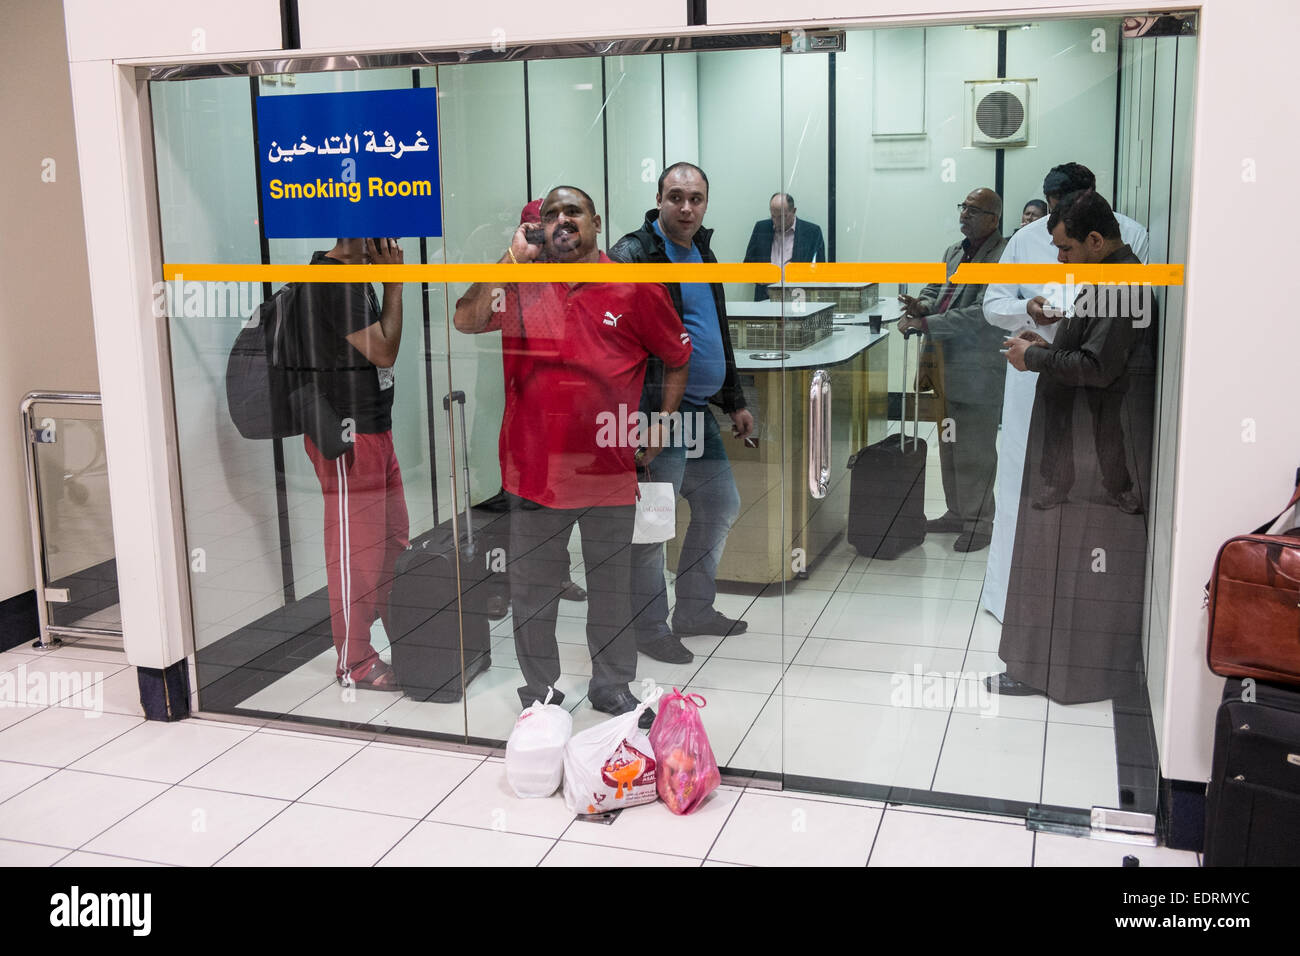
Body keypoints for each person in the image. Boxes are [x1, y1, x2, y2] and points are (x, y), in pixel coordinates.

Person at [452, 186, 692, 728]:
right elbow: (465, 319)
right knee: (534, 589)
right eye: (551, 214)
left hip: (608, 467)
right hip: (533, 470)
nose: (562, 220)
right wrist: (512, 258)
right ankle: (541, 690)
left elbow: (678, 355)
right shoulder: (519, 284)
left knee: (611, 587)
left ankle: (612, 687)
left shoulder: (633, 287)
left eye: (573, 212)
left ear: (596, 222)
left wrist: (661, 421)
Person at [991, 189, 1157, 702]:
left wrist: (1035, 359)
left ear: (1095, 239)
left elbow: (1098, 368)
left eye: (1066, 249)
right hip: (1077, 449)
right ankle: (1038, 670)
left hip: (1091, 456)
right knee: (1053, 557)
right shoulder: (1106, 279)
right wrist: (1047, 347)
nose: (1060, 260)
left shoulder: (1121, 285)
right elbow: (1088, 351)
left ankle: (1063, 675)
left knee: (1072, 563)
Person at [609, 162, 754, 665]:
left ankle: (693, 610)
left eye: (695, 198)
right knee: (653, 527)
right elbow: (613, 339)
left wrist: (733, 398)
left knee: (720, 504)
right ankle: (649, 627)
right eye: (676, 197)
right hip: (658, 414)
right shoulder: (633, 254)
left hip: (699, 413)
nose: (686, 207)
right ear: (658, 198)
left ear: (706, 203)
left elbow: (717, 327)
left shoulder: (702, 251)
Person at [296, 237, 409, 691]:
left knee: (392, 541)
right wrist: (396, 285)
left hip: (375, 427)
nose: (395, 242)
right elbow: (384, 351)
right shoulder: (333, 280)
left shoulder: (354, 275)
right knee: (354, 555)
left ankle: (404, 635)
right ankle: (353, 661)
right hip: (349, 435)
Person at [896, 188, 1008, 553]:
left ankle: (980, 523)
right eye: (963, 208)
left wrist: (927, 324)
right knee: (947, 443)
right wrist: (920, 304)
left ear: (994, 219)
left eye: (973, 211)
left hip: (978, 368)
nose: (964, 215)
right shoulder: (955, 251)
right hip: (943, 364)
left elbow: (982, 314)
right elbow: (935, 289)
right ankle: (957, 512)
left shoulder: (1003, 256)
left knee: (974, 449)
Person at [742, 192, 827, 300]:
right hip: (765, 299)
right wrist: (763, 275)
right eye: (773, 216)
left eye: (782, 217)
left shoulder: (812, 232)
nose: (777, 221)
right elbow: (747, 266)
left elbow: (819, 270)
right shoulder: (761, 228)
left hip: (798, 298)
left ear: (794, 211)